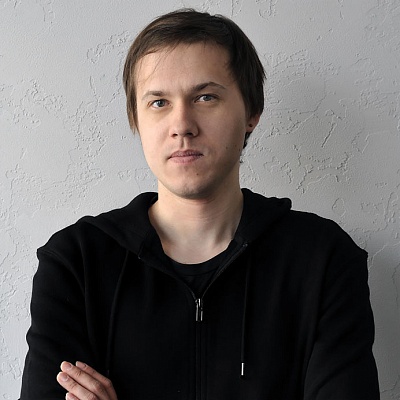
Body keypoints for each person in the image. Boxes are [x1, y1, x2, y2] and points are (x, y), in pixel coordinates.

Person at [20, 8, 380, 400]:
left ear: (252, 112)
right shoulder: (76, 261)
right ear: (136, 119)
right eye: (159, 102)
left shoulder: (323, 259)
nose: (182, 125)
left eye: (205, 97)